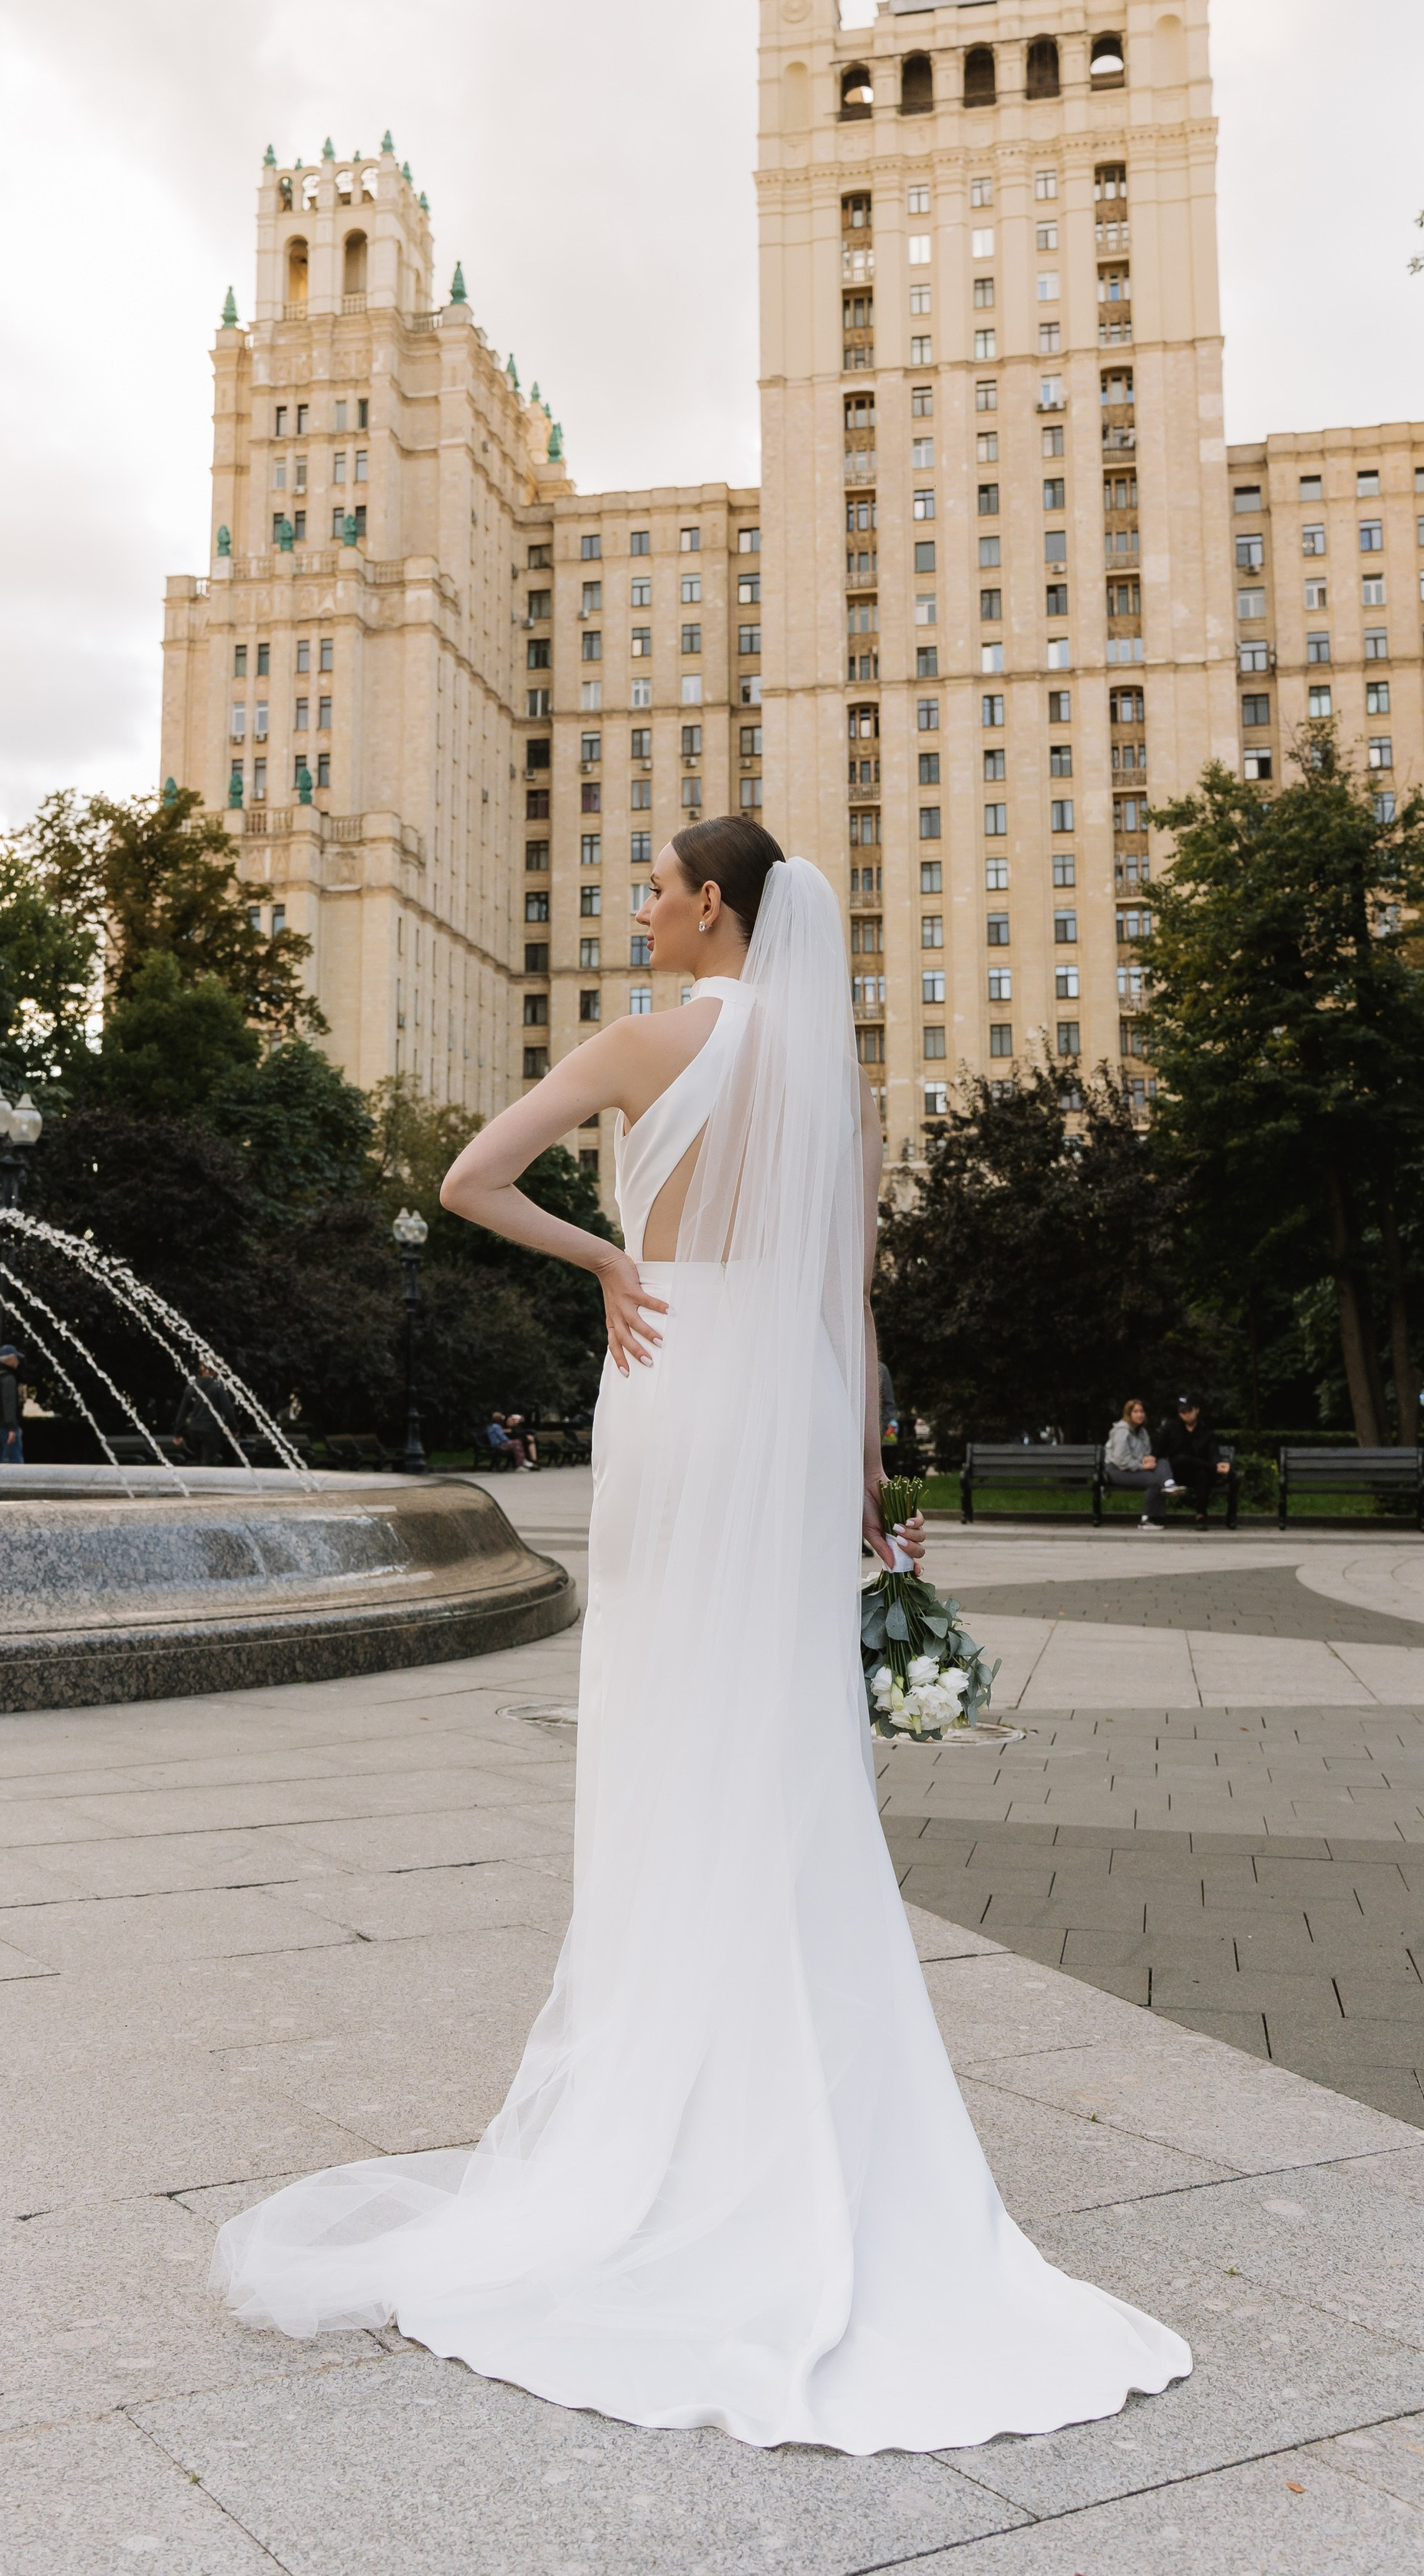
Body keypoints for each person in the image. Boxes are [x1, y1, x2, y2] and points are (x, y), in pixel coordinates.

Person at [212, 818, 1188, 2454]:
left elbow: (467, 1180)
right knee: (782, 1733)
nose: (638, 908)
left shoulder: (637, 1045)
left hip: (670, 1375)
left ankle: (669, 2094)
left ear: (712, 907)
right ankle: (799, 2092)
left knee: (669, 1723)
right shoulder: (825, 1074)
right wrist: (869, 1475)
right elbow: (849, 1299)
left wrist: (605, 1256)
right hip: (794, 1408)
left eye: (654, 889)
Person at [1142, 1393, 1227, 1529]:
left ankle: (1201, 1515)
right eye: (1182, 1411)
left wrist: (1218, 1463)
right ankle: (1154, 1516)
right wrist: (1152, 1456)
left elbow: (1213, 1453)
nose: (1186, 1414)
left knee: (1203, 1475)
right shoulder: (1171, 1427)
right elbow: (1159, 1447)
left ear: (1197, 1410)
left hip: (1197, 1473)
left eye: (1189, 1411)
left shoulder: (1206, 1432)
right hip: (1176, 1473)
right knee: (1181, 1460)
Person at [1105, 1396, 1155, 1497]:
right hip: (1117, 1471)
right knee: (1154, 1481)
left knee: (1159, 1476)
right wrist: (1142, 1466)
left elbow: (1146, 1453)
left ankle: (1153, 1512)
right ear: (1129, 1414)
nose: (1140, 1415)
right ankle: (1150, 1513)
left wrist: (1148, 1459)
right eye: (1135, 1412)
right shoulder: (1121, 1431)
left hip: (1133, 1468)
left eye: (1142, 1411)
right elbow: (1121, 1460)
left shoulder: (1142, 1432)